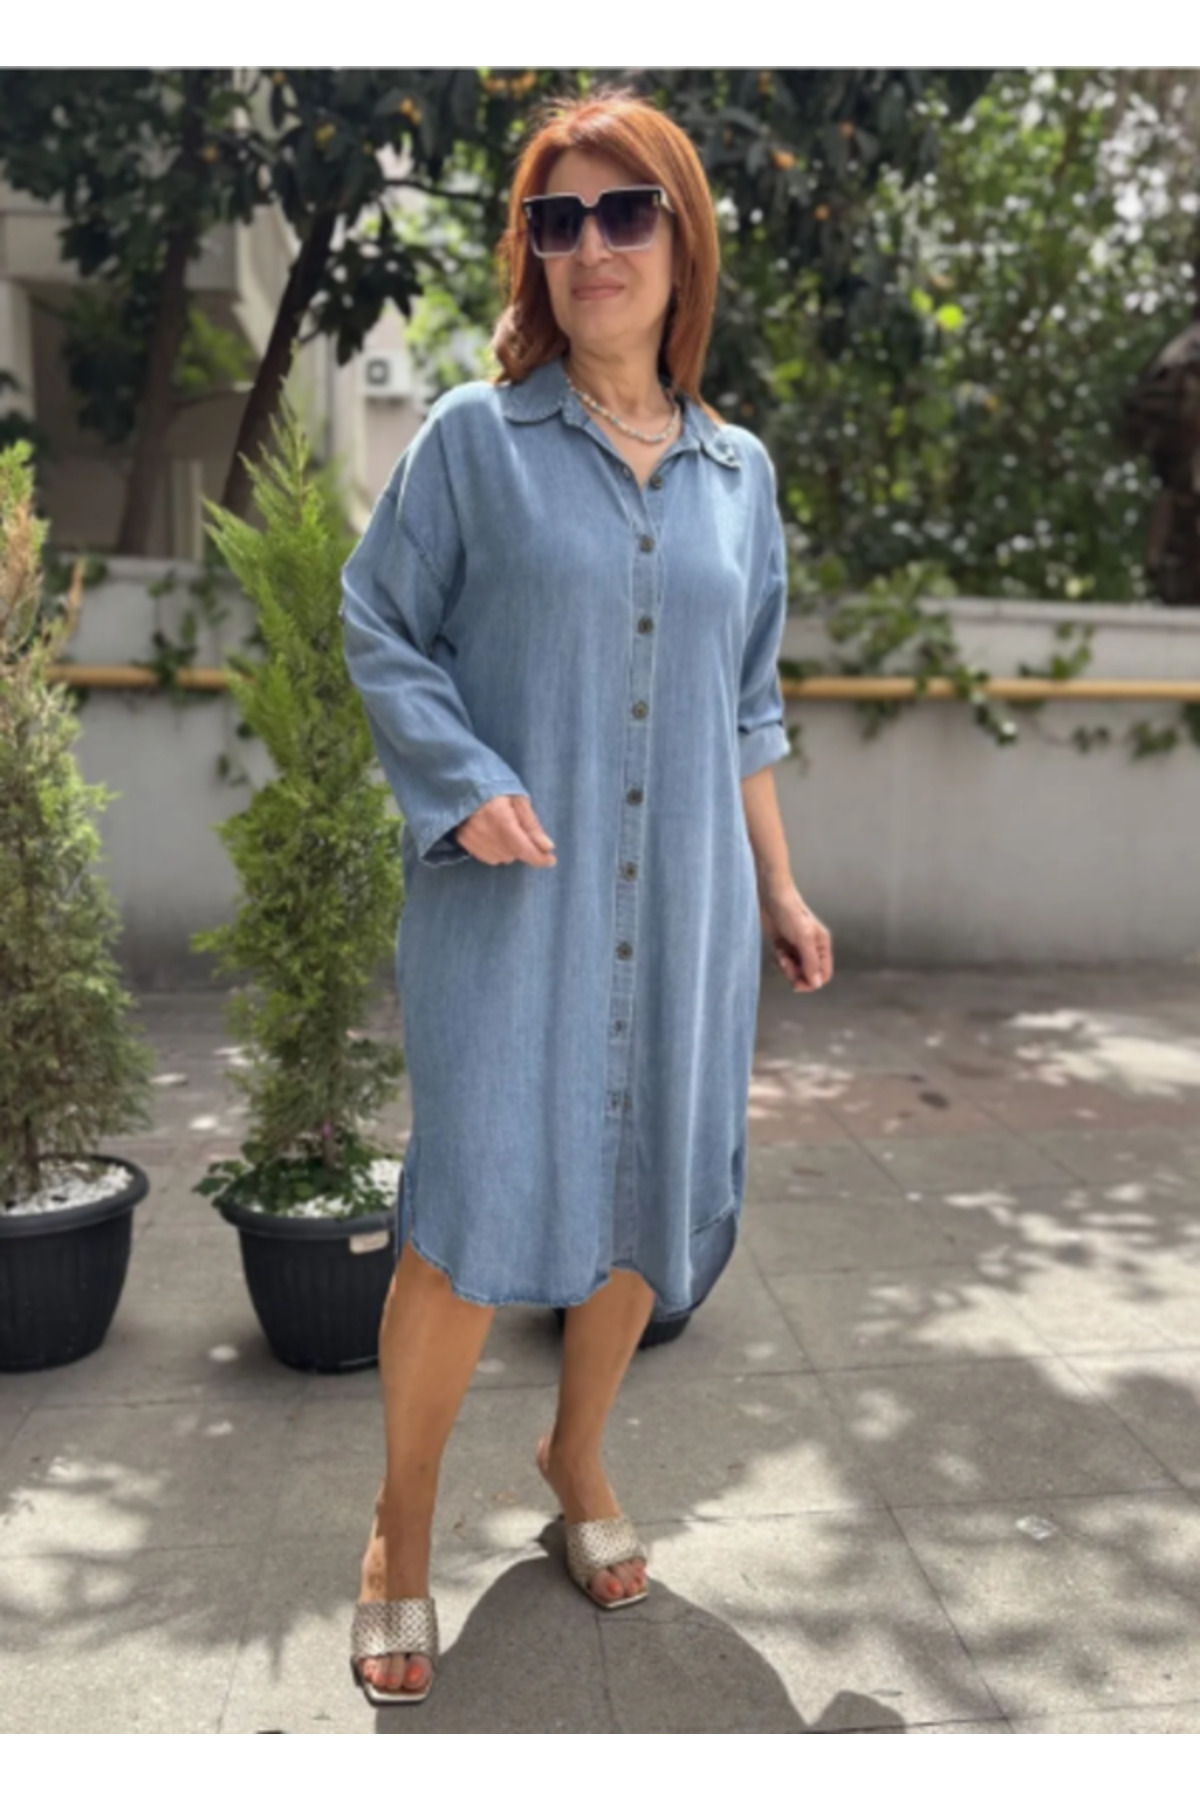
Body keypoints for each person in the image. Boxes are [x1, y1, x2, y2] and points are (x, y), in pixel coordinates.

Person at [340, 84, 834, 1707]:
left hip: (686, 907)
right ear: (533, 254)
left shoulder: (740, 475)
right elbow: (378, 622)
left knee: (641, 1192)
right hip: (512, 908)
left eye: (626, 213)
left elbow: (748, 704)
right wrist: (461, 779)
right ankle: (400, 1528)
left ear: (682, 242)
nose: (592, 246)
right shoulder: (474, 444)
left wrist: (780, 888)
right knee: (468, 1213)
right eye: (559, 220)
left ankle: (575, 1455)